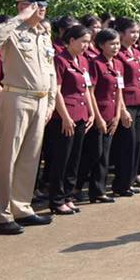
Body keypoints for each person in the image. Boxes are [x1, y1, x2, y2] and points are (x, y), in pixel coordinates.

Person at [0, 0, 56, 234]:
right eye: (37, 5)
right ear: (24, 6)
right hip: (16, 98)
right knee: (6, 159)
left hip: (39, 101)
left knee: (30, 158)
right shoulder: (13, 31)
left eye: (44, 5)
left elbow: (51, 71)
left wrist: (50, 102)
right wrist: (19, 18)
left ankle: (22, 207)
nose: (43, 9)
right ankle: (1, 214)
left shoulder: (43, 34)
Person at [44, 24, 96, 215]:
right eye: (82, 41)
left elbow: (87, 89)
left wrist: (91, 112)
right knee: (62, 159)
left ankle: (67, 195)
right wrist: (65, 117)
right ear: (71, 40)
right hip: (65, 117)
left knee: (75, 158)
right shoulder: (60, 60)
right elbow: (56, 91)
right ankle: (56, 200)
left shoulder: (82, 61)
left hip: (81, 115)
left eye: (88, 42)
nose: (85, 46)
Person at [78, 28, 124, 203]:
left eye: (117, 43)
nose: (115, 47)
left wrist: (118, 114)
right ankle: (92, 190)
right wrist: (97, 117)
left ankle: (99, 190)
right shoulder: (95, 64)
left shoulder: (118, 64)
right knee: (96, 154)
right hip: (99, 113)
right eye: (111, 44)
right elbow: (91, 92)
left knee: (105, 153)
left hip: (112, 114)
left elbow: (119, 91)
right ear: (101, 45)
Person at [112, 18, 140, 197]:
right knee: (126, 145)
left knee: (137, 143)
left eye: (137, 32)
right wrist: (122, 109)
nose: (135, 36)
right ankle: (121, 184)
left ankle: (130, 180)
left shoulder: (136, 52)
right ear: (121, 33)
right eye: (132, 32)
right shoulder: (118, 55)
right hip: (127, 104)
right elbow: (118, 85)